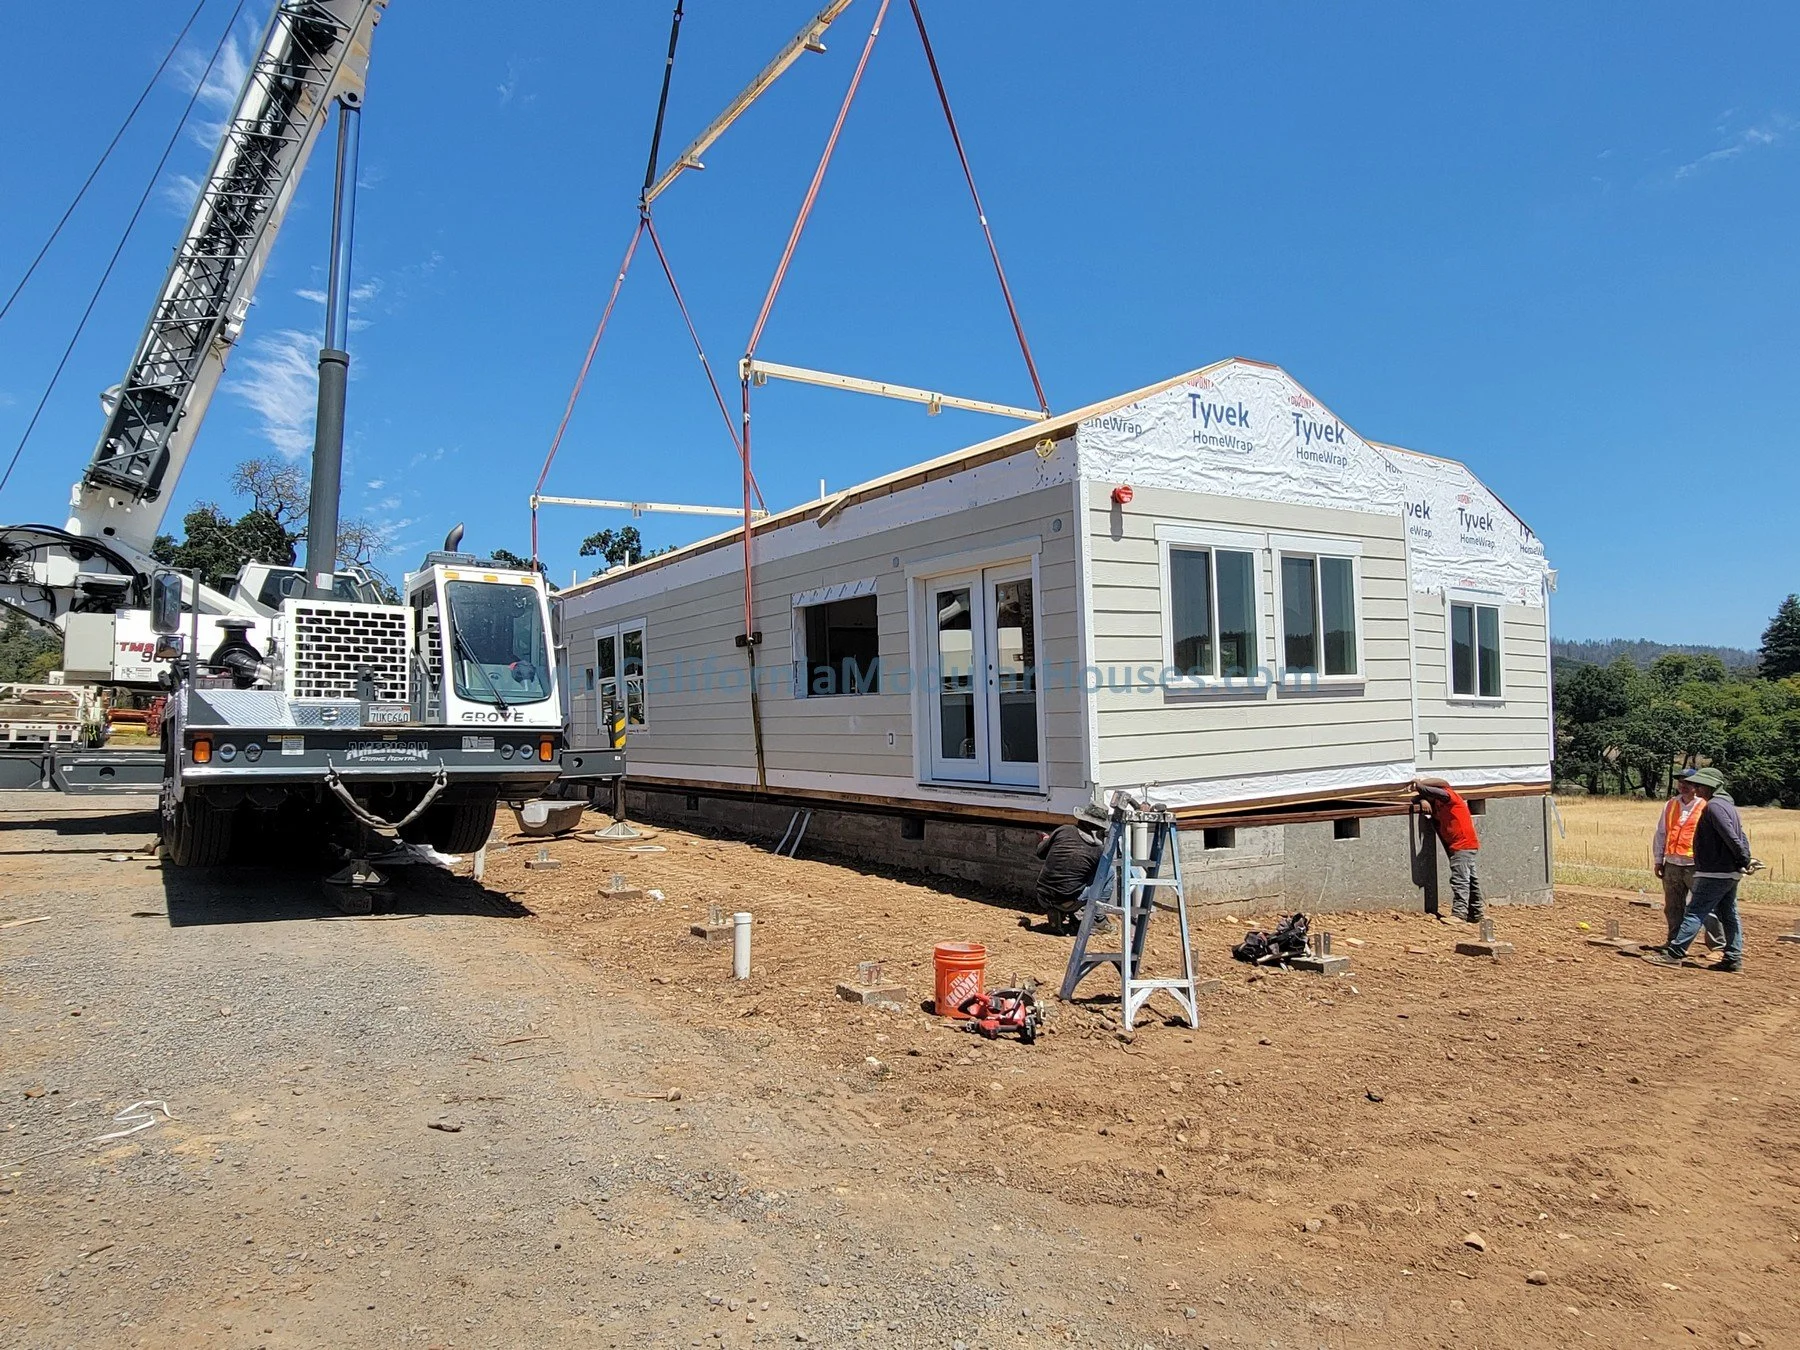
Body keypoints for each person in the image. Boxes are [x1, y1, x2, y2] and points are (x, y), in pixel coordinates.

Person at [1644, 767, 1751, 972]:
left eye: (1698, 784)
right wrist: (1744, 859)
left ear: (1709, 786)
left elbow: (1731, 836)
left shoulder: (1713, 807)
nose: (1694, 787)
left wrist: (1743, 857)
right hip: (1722, 869)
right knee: (1728, 912)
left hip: (1713, 870)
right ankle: (1733, 958)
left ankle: (1675, 953)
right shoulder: (1726, 805)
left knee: (1696, 911)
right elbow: (1741, 836)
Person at [1652, 769, 1723, 950]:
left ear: (1697, 785)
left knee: (1707, 909)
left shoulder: (1706, 805)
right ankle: (1673, 943)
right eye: (1680, 781)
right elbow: (1661, 833)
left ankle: (1717, 947)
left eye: (1688, 782)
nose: (1682, 785)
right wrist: (1658, 859)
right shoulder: (1670, 805)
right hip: (1672, 863)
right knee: (1673, 907)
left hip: (1696, 865)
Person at [1414, 777, 1483, 923]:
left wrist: (1418, 783)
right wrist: (1422, 800)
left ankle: (1459, 914)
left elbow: (1424, 789)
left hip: (1462, 844)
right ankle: (1476, 913)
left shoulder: (1449, 796)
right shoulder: (1439, 802)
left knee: (1460, 880)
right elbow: (1418, 797)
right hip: (1462, 845)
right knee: (1470, 880)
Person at [1035, 802, 1109, 935]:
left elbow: (1040, 853)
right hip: (1068, 900)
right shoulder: (1098, 850)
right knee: (1109, 873)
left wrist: (1046, 840)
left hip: (1042, 896)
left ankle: (1059, 910)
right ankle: (1097, 919)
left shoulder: (1063, 830)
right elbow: (1093, 879)